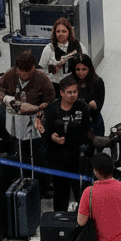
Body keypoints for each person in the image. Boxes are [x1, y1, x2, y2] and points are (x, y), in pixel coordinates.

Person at [37, 74, 93, 212]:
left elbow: (87, 132)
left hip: (77, 156)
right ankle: (59, 219)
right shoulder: (52, 109)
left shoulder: (84, 108)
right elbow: (46, 132)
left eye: (75, 92)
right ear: (61, 93)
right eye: (69, 92)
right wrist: (52, 137)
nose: (72, 95)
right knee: (60, 190)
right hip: (57, 157)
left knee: (80, 191)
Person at [38, 17, 85, 89]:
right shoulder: (49, 48)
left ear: (69, 32)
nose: (61, 34)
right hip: (55, 85)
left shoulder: (79, 46)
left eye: (64, 31)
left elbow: (87, 65)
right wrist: (56, 66)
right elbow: (42, 70)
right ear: (54, 33)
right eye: (58, 31)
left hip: (74, 85)